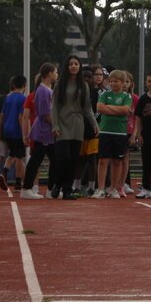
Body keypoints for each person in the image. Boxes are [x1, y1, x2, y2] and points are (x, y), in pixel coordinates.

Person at [50, 55, 98, 200]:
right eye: (71, 64)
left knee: (73, 159)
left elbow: (87, 108)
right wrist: (55, 125)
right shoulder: (60, 84)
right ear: (67, 66)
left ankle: (67, 189)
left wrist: (94, 124)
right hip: (62, 124)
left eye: (76, 64)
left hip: (78, 124)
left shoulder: (84, 86)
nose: (73, 66)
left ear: (79, 66)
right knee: (63, 156)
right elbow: (54, 107)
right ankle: (57, 183)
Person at [21, 63, 57, 199]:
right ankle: (26, 188)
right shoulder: (42, 90)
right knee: (36, 159)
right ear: (49, 74)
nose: (57, 75)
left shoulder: (47, 90)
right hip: (43, 132)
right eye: (56, 72)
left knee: (55, 159)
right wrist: (56, 126)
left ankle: (51, 189)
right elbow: (45, 113)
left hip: (48, 132)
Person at [94, 70, 132, 199]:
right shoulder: (104, 94)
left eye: (116, 81)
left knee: (117, 162)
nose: (113, 84)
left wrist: (108, 108)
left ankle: (113, 188)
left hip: (120, 133)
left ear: (122, 82)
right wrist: (117, 110)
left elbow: (125, 110)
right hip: (105, 131)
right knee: (103, 161)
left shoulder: (127, 96)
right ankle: (100, 189)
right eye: (111, 81)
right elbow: (100, 108)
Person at [0, 75, 29, 192]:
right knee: (20, 157)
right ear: (25, 86)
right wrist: (24, 133)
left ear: (13, 85)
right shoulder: (24, 99)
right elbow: (21, 117)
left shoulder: (8, 98)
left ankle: (4, 172)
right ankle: (18, 182)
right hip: (17, 131)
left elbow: (1, 116)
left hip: (7, 130)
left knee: (13, 154)